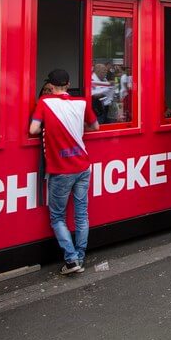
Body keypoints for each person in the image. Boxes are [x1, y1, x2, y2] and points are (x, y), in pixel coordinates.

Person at [30, 69, 99, 274]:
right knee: (81, 214)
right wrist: (75, 128)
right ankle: (80, 256)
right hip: (83, 166)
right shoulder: (82, 102)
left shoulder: (44, 103)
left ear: (50, 86)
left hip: (60, 169)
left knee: (57, 217)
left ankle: (71, 260)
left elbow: (33, 129)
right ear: (68, 84)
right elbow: (95, 126)